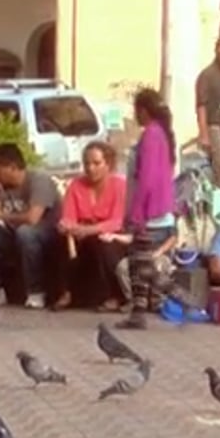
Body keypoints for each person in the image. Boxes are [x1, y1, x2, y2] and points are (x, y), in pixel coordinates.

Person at [0, 143, 59, 310]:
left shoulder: (38, 180)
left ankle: (35, 291)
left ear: (12, 167)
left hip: (45, 234)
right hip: (15, 235)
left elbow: (32, 218)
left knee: (25, 232)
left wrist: (0, 215)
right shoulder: (0, 186)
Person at [123, 88, 182, 318]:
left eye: (136, 110)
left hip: (150, 215)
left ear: (144, 110)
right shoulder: (162, 135)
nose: (135, 115)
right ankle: (140, 313)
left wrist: (137, 214)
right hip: (159, 213)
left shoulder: (151, 135)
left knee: (140, 268)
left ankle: (174, 295)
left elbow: (146, 178)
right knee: (141, 266)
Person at [54, 141, 130, 310]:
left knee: (105, 245)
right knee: (59, 240)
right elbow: (69, 216)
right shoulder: (76, 185)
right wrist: (66, 226)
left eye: (96, 163)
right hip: (81, 235)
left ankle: (115, 296)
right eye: (87, 163)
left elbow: (117, 221)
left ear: (108, 164)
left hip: (110, 235)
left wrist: (89, 230)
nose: (90, 168)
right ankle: (66, 292)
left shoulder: (119, 185)